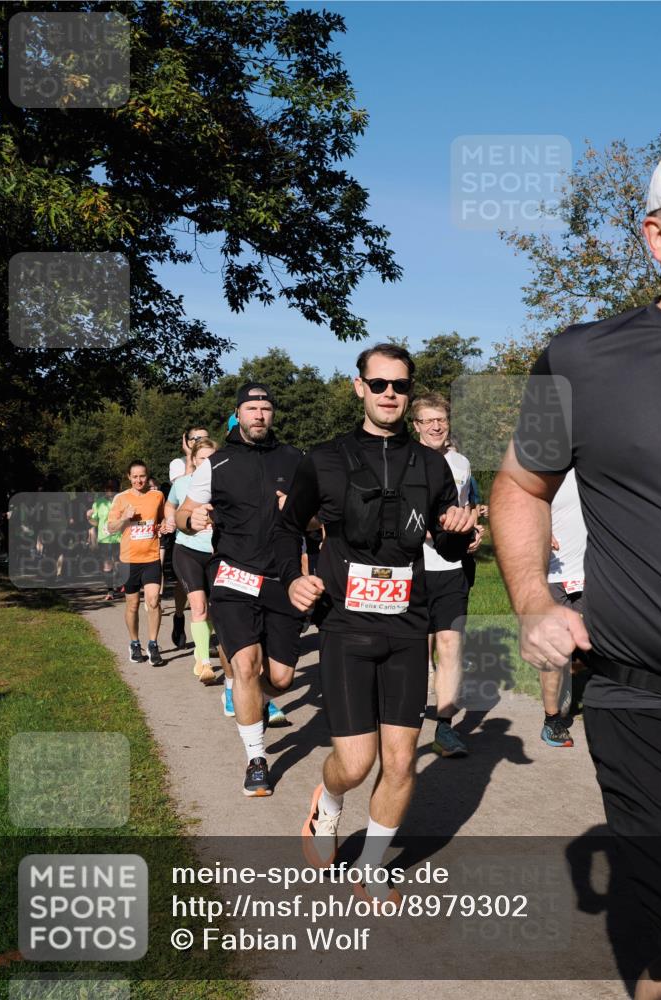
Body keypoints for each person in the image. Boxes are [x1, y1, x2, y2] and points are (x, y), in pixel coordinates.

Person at [491, 130, 661, 999]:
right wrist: (531, 599)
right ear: (656, 237)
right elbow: (519, 484)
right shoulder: (581, 359)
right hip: (650, 701)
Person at [274, 343, 474, 902]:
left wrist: (458, 529)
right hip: (345, 625)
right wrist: (294, 579)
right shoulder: (324, 458)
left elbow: (450, 546)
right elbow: (288, 528)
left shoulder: (433, 465)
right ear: (359, 387)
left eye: (400, 386)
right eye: (380, 384)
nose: (390, 394)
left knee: (404, 759)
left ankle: (373, 860)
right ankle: (328, 803)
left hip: (409, 624)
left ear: (409, 395)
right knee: (357, 763)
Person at [176, 384, 305, 796]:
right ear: (238, 414)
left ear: (273, 415)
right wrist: (190, 522)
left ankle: (255, 701)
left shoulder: (296, 461)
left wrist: (302, 511)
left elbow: (322, 522)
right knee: (246, 664)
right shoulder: (216, 464)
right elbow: (182, 513)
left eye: (266, 407)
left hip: (282, 580)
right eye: (252, 408)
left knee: (281, 680)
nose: (260, 415)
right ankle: (256, 760)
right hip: (233, 575)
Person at [411, 392, 483, 757]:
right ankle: (402, 725)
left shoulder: (461, 462)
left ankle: (445, 728)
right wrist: (435, 532)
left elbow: (466, 506)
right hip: (411, 568)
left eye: (442, 419)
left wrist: (472, 531)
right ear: (416, 426)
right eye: (428, 420)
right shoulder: (405, 460)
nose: (437, 426)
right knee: (411, 650)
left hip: (452, 569)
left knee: (451, 646)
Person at [168, 438, 222, 684]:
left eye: (212, 458)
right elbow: (171, 506)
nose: (207, 463)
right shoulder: (182, 484)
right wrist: (172, 519)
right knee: (198, 606)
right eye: (202, 458)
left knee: (213, 608)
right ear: (193, 460)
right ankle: (204, 662)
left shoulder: (226, 484)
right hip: (188, 550)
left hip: (216, 553)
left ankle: (202, 650)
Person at [540, 468, 586, 748]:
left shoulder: (598, 462)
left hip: (594, 570)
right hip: (553, 573)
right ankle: (552, 720)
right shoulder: (545, 467)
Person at [108, 460, 168, 665]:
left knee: (153, 601)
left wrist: (163, 527)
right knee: (132, 605)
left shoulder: (157, 496)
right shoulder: (121, 498)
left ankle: (153, 644)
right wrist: (125, 517)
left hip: (151, 557)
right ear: (129, 477)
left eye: (142, 476)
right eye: (135, 476)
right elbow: (111, 527)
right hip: (129, 560)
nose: (139, 480)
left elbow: (161, 520)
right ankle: (134, 643)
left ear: (147, 475)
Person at [167, 426, 209, 648]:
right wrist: (189, 458)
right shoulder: (178, 465)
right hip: (186, 542)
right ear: (187, 441)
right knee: (186, 590)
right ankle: (179, 616)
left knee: (204, 599)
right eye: (196, 438)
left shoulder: (215, 460)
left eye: (205, 437)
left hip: (210, 544)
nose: (201, 440)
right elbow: (179, 493)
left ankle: (206, 639)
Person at [87, 479, 122, 601]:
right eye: (108, 488)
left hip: (120, 538)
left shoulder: (123, 501)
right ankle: (110, 592)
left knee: (118, 564)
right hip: (104, 540)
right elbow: (95, 522)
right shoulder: (98, 503)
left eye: (113, 488)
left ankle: (119, 582)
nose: (110, 490)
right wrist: (88, 517)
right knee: (107, 566)